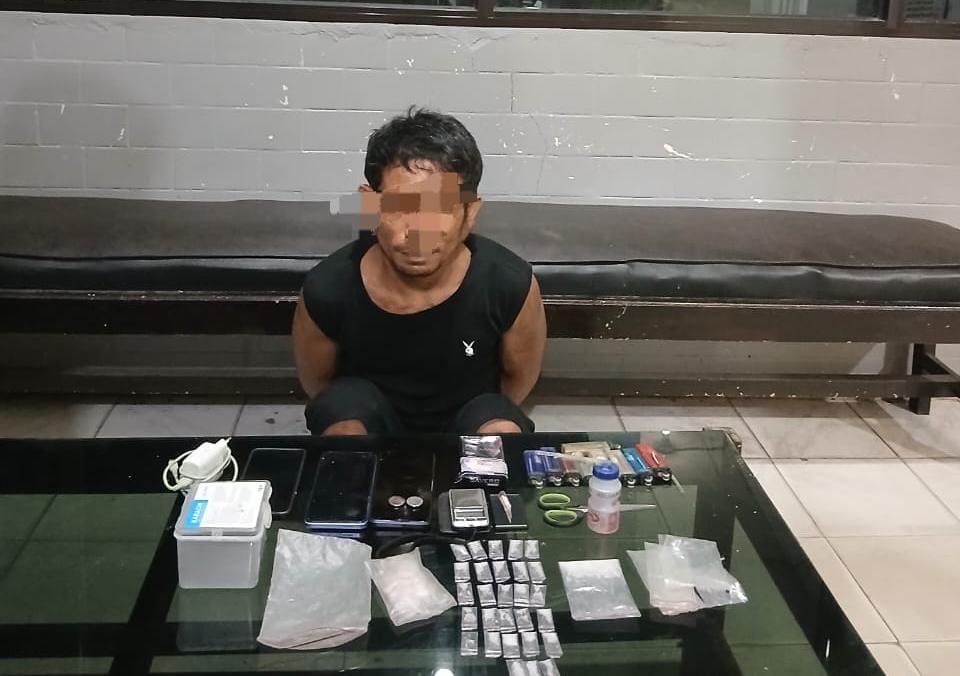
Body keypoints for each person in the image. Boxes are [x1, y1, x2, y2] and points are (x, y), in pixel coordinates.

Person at [292, 106, 547, 436]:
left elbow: (518, 381)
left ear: (470, 212)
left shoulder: (508, 282)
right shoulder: (329, 285)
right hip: (369, 419)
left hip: (469, 418)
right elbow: (318, 384)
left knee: (501, 426)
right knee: (341, 417)